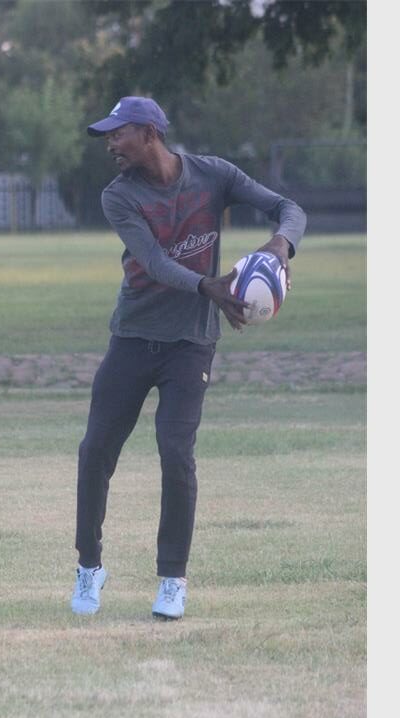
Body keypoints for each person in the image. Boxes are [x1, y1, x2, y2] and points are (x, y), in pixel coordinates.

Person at [71, 96, 306, 620]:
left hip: (191, 344)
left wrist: (280, 246)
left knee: (176, 454)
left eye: (118, 133)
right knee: (95, 453)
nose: (110, 142)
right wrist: (209, 286)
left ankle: (172, 581)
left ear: (149, 133)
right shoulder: (119, 196)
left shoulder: (212, 174)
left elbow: (290, 210)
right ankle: (89, 566)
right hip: (132, 337)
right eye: (107, 135)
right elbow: (153, 263)